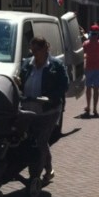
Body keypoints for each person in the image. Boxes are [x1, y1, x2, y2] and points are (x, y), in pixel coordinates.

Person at [19, 36, 69, 187]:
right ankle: (49, 169)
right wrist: (18, 83)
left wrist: (50, 98)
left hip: (49, 111)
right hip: (29, 109)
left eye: (37, 50)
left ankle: (35, 174)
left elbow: (64, 85)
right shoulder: (27, 63)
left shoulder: (56, 65)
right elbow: (21, 81)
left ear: (45, 49)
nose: (34, 53)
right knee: (36, 140)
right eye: (32, 50)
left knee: (40, 140)